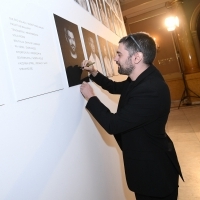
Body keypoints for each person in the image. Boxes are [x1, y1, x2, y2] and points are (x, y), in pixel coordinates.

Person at [80, 32, 183, 199]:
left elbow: (113, 124)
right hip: (147, 172)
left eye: (119, 54)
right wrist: (93, 72)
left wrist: (91, 97)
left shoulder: (151, 89)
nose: (115, 58)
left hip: (155, 178)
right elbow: (114, 87)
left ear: (136, 58)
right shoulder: (141, 77)